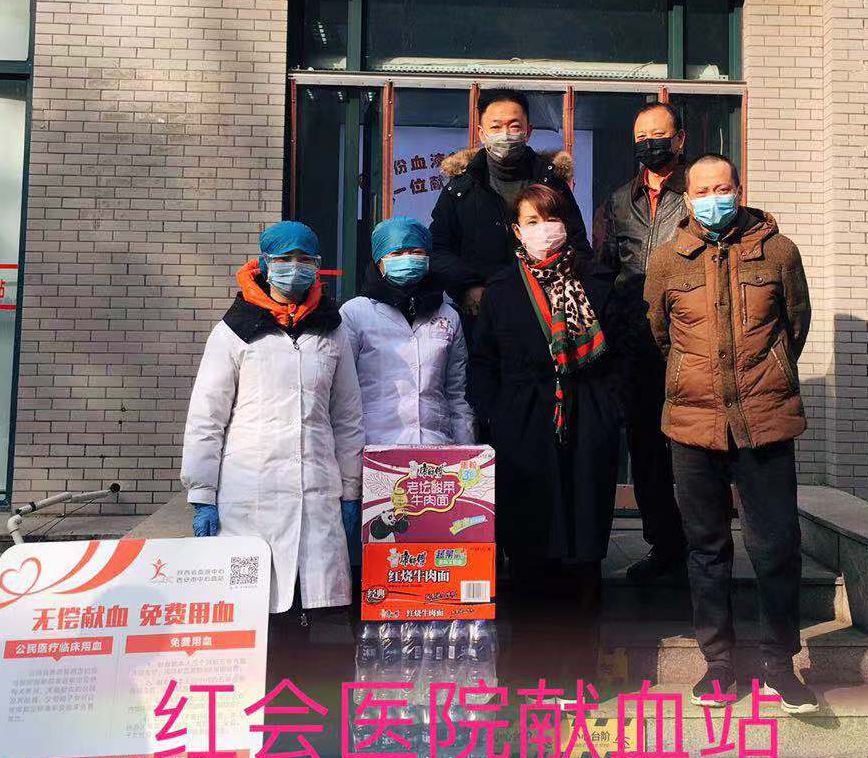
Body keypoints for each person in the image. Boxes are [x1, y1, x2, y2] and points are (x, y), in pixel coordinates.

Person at [643, 153, 818, 714]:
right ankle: (718, 664)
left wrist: (767, 374)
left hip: (765, 420)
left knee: (776, 545)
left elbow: (795, 325)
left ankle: (779, 663)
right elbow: (660, 332)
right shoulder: (667, 259)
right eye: (701, 191)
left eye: (722, 188)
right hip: (693, 426)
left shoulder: (778, 251)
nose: (712, 199)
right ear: (687, 197)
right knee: (706, 548)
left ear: (738, 190)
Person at [467, 182, 623, 691]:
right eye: (531, 221)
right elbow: (483, 363)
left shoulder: (597, 282)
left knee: (583, 551)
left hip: (587, 422)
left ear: (567, 223)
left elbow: (624, 357)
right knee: (530, 549)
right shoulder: (501, 289)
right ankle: (531, 673)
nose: (542, 230)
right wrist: (498, 415)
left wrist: (608, 412)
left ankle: (579, 674)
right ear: (516, 231)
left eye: (550, 218)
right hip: (523, 429)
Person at [180, 220, 364, 615]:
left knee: (313, 611)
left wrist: (351, 489)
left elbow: (348, 416)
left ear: (317, 266)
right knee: (251, 608)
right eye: (284, 258)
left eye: (305, 259)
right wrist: (201, 493)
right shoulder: (234, 331)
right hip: (250, 491)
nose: (295, 267)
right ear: (265, 264)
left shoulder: (332, 331)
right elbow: (206, 418)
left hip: (317, 490)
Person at [593, 101, 688, 581]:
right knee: (646, 449)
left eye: (659, 134)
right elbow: (603, 271)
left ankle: (702, 549)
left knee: (691, 450)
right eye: (641, 137)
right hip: (634, 345)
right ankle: (664, 547)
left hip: (689, 341)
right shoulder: (616, 202)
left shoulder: (696, 195)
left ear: (679, 140)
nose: (650, 144)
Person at [431, 88, 591, 326]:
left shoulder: (551, 183)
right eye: (496, 127)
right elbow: (439, 249)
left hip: (548, 312)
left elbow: (577, 243)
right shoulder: (461, 189)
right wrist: (467, 286)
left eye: (514, 126)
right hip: (482, 314)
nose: (505, 135)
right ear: (481, 133)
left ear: (528, 131)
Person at [340, 215, 476, 447]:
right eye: (396, 253)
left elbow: (457, 394)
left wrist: (467, 450)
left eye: (416, 252)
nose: (407, 259)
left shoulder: (447, 314)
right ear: (379, 261)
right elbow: (343, 394)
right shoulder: (355, 313)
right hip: (375, 446)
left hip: (436, 446)